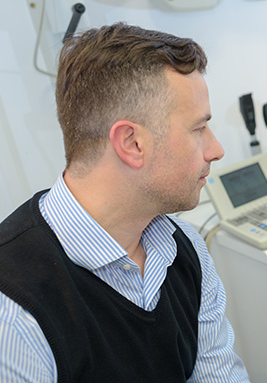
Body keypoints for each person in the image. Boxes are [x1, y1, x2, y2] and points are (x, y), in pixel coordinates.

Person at [0, 22, 250, 382]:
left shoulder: (184, 247)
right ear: (132, 143)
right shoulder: (15, 314)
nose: (216, 149)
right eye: (198, 129)